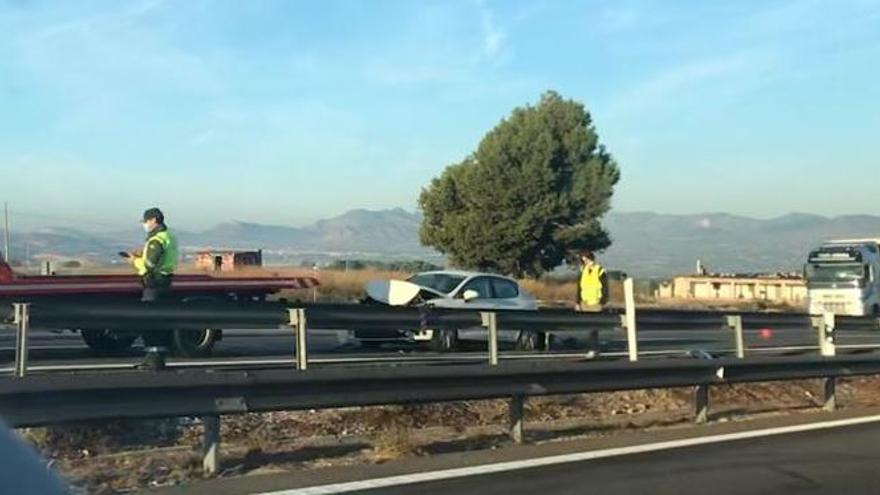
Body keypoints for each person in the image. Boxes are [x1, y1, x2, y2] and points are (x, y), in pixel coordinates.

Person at [126, 208, 178, 302]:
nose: (144, 224)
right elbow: (164, 255)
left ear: (153, 220)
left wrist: (134, 260)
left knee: (149, 309)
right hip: (166, 280)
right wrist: (143, 254)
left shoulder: (156, 240)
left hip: (154, 282)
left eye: (146, 221)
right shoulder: (169, 235)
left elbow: (149, 265)